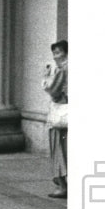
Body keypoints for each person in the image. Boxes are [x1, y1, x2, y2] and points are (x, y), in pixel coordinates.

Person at [43, 39, 68, 199]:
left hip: (61, 113)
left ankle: (62, 184)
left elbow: (53, 90)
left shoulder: (63, 69)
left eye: (58, 52)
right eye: (54, 53)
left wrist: (45, 78)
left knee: (58, 148)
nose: (55, 57)